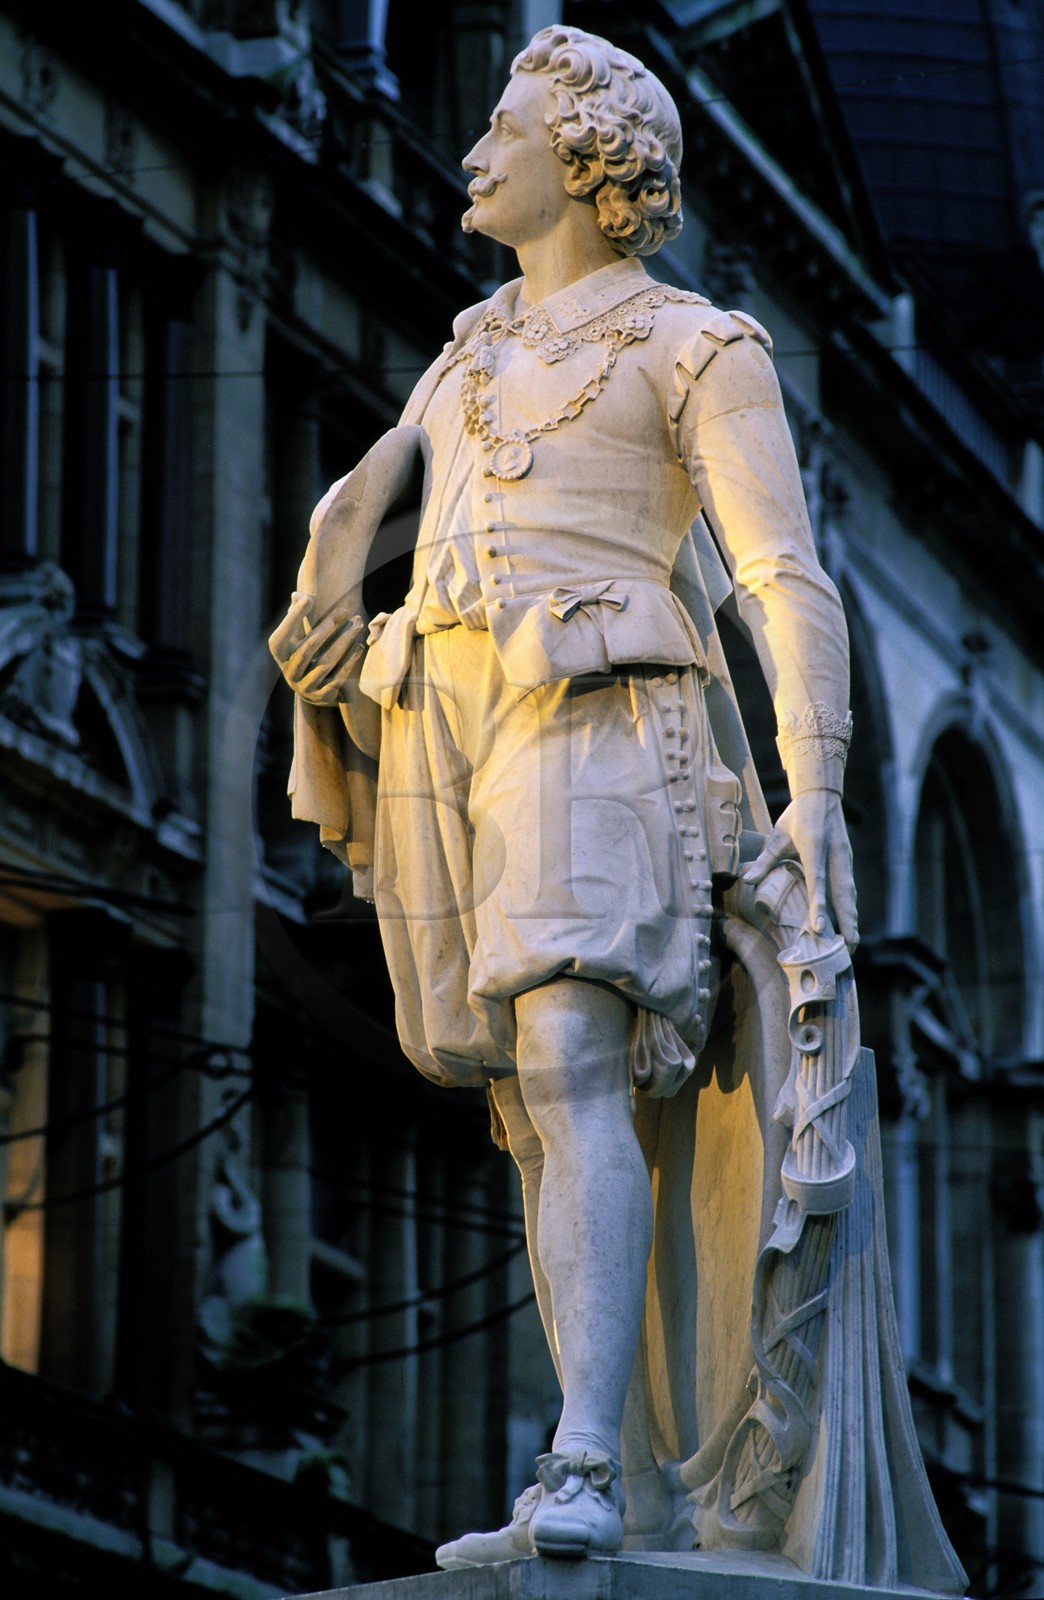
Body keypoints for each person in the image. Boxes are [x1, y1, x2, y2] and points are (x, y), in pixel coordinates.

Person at [272, 23, 861, 1566]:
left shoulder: (695, 345)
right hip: (451, 718)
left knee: (566, 1040)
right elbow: (364, 494)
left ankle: (587, 1454)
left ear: (591, 167)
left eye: (502, 126)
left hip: (605, 708)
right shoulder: (466, 352)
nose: (473, 149)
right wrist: (337, 580)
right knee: (534, 1107)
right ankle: (627, 1479)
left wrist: (821, 783)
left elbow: (778, 572)